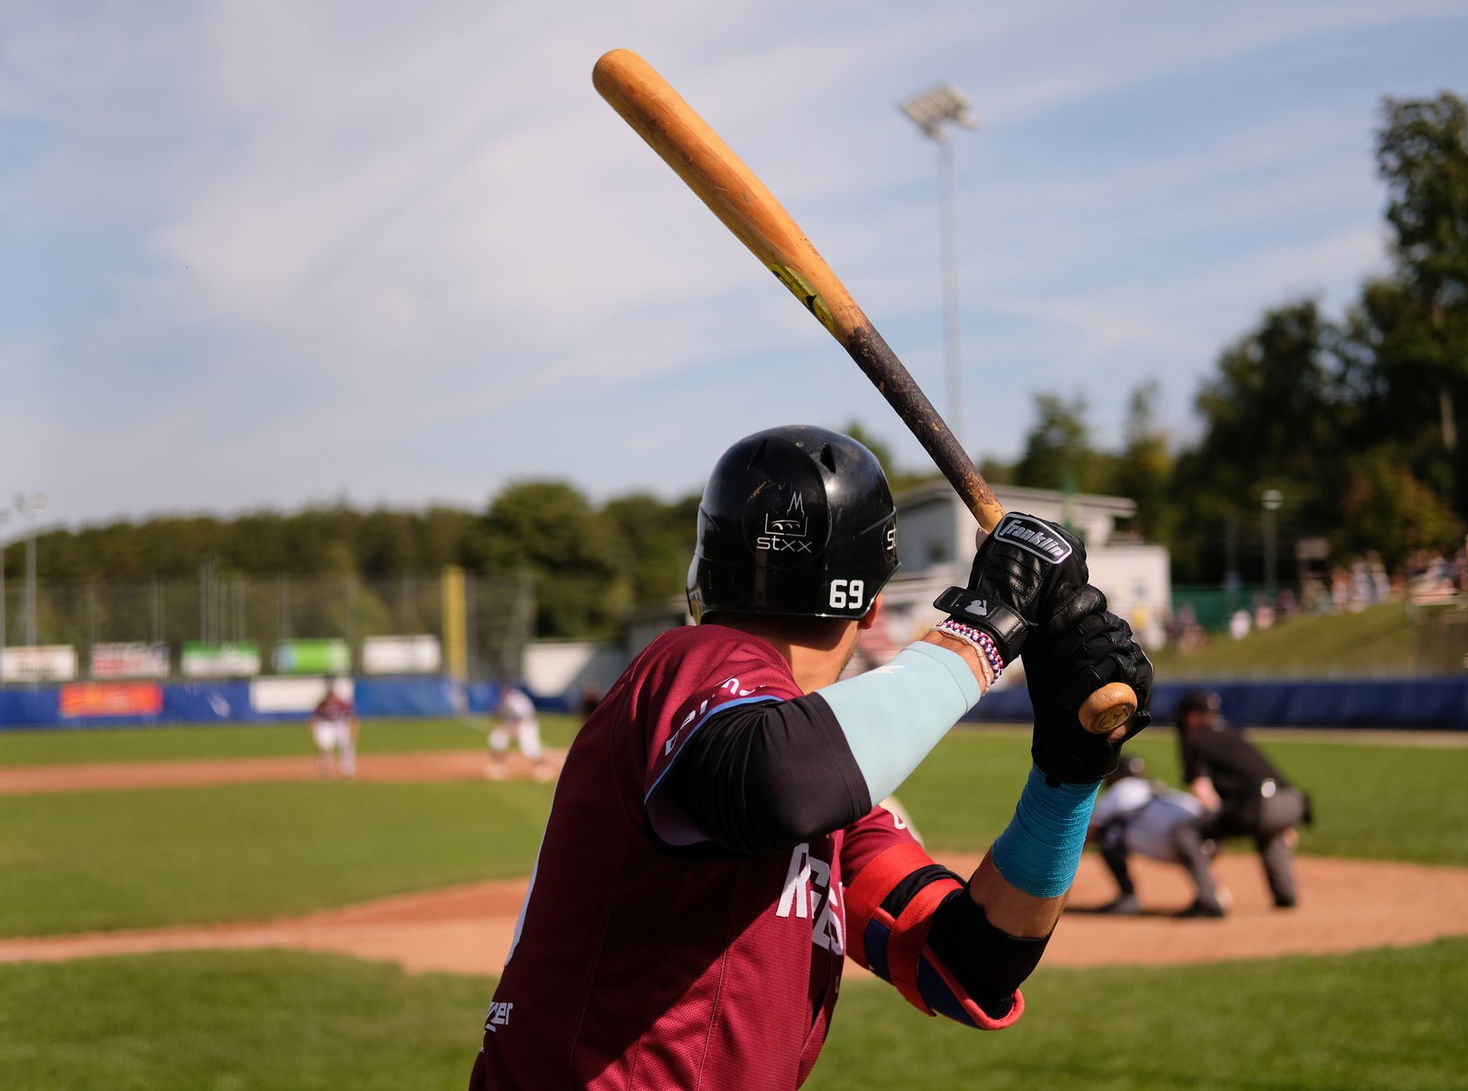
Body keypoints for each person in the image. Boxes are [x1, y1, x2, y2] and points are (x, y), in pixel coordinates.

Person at [469, 425, 1154, 1090]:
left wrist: (1068, 771)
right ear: (873, 607)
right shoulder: (696, 664)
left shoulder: (831, 794)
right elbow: (776, 778)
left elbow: (974, 961)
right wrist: (986, 626)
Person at [1174, 690, 1308, 909]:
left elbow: (1202, 789)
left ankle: (1208, 899)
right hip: (1290, 803)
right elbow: (1268, 774)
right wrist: (1286, 824)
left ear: (1192, 717)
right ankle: (1286, 895)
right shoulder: (1232, 733)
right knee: (1269, 831)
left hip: (1260, 807)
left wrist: (1216, 825)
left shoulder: (1195, 741)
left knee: (1186, 832)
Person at [1085, 755, 1226, 918]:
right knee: (1153, 825)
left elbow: (1092, 832)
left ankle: (1128, 898)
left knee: (1110, 833)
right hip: (1211, 844)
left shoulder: (1121, 789)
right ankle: (1208, 891)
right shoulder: (1153, 787)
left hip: (1180, 845)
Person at [486, 682, 552, 782]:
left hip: (527, 725)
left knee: (529, 748)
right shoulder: (505, 699)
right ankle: (499, 766)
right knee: (497, 737)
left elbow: (524, 716)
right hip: (514, 724)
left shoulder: (515, 700)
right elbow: (499, 713)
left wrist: (512, 728)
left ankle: (543, 768)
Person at [308, 677, 358, 779]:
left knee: (347, 747)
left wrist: (353, 731)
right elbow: (313, 718)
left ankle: (347, 771)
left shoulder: (341, 702)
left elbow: (353, 717)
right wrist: (314, 731)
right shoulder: (322, 703)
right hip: (326, 725)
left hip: (340, 725)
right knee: (325, 749)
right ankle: (324, 771)